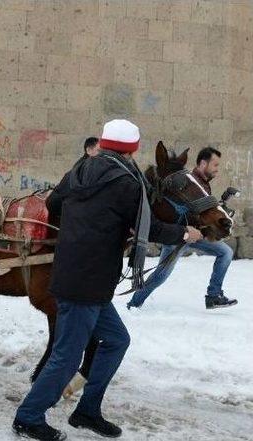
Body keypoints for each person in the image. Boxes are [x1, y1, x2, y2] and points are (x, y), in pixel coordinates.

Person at [13, 120, 203, 441]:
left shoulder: (79, 171)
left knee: (117, 341)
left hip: (86, 278)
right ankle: (28, 417)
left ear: (103, 142)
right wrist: (185, 232)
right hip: (84, 283)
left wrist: (85, 223)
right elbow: (150, 228)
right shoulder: (127, 183)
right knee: (68, 356)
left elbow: (53, 203)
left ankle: (87, 410)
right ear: (133, 149)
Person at [127, 147, 237, 310]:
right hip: (178, 234)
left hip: (195, 233)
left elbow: (203, 210)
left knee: (225, 252)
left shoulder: (203, 185)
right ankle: (134, 303)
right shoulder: (186, 181)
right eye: (215, 165)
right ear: (203, 163)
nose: (217, 169)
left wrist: (220, 215)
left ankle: (213, 295)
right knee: (161, 275)